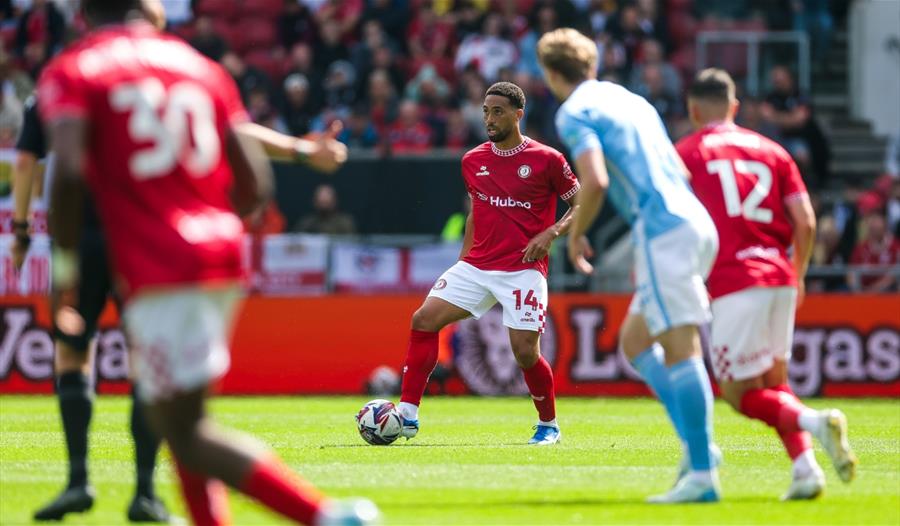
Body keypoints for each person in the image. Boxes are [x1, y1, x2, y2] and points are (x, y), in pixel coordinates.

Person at [36, 1, 376, 524]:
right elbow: (254, 182)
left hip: (160, 264)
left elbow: (64, 174)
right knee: (178, 418)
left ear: (83, 14)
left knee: (187, 433)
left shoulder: (76, 68)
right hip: (216, 252)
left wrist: (64, 274)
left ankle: (328, 516)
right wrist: (204, 220)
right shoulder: (201, 68)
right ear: (150, 14)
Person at [537, 28, 720, 503]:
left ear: (552, 74)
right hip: (691, 218)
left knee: (681, 349)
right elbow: (678, 167)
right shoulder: (632, 100)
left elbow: (593, 179)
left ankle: (702, 471)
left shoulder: (575, 111)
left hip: (662, 229)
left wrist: (575, 234)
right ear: (592, 64)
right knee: (636, 342)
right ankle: (698, 449)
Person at [678, 68, 857, 500]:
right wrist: (797, 274)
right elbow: (806, 221)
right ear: (736, 107)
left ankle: (817, 422)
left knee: (738, 394)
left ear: (693, 109)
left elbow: (677, 220)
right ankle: (806, 469)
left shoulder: (686, 152)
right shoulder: (774, 150)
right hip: (779, 275)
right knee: (773, 382)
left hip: (735, 281)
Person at [13, 91, 171, 523]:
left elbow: (26, 161)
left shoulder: (52, 92)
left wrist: (21, 231)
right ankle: (144, 491)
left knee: (72, 351)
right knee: (145, 358)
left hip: (76, 237)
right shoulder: (149, 85)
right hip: (136, 238)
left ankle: (78, 481)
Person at [396, 81, 580, 446]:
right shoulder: (472, 160)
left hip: (523, 269)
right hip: (477, 266)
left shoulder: (548, 159)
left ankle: (549, 426)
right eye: (485, 111)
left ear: (517, 114)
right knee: (423, 319)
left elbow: (581, 203)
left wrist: (552, 234)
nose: (490, 118)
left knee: (525, 352)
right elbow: (475, 215)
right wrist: (462, 264)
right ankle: (407, 413)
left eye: (498, 111)